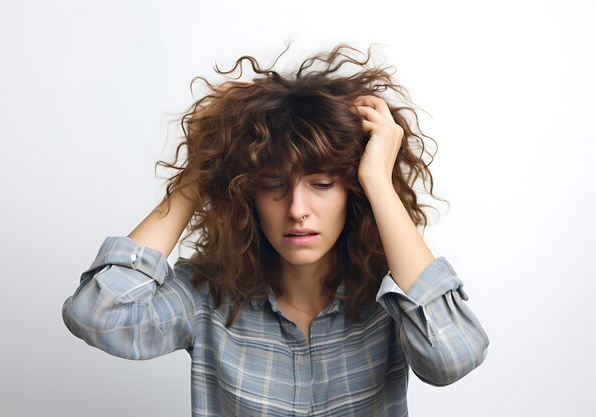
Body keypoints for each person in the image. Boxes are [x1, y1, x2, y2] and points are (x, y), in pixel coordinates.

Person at [62, 43, 489, 417]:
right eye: (272, 187)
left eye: (322, 185)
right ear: (247, 197)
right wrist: (200, 172)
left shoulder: (388, 298)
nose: (297, 210)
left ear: (351, 193)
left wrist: (378, 180)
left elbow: (452, 358)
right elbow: (97, 315)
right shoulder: (206, 297)